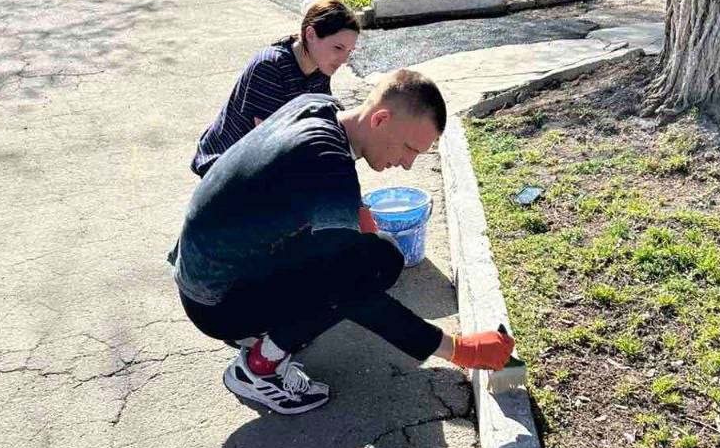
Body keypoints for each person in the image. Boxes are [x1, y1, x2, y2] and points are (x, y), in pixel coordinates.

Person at [170, 69, 516, 415]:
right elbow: (355, 294)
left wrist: (362, 223)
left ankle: (269, 329)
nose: (408, 165)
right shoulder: (328, 163)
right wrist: (459, 350)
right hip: (216, 303)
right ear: (381, 119)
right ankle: (259, 367)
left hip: (204, 269)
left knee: (377, 256)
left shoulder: (318, 108)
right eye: (410, 149)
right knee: (362, 272)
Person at [191, 0, 361, 177]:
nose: (344, 60)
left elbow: (321, 125)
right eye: (338, 48)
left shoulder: (320, 68)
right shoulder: (270, 65)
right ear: (310, 35)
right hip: (222, 166)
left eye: (349, 51)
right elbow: (270, 146)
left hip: (258, 163)